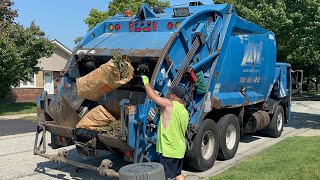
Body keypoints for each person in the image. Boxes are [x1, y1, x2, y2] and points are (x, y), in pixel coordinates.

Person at [141, 75, 189, 180]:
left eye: (171, 93)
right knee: (178, 174)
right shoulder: (184, 111)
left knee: (164, 177)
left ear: (174, 96)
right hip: (179, 149)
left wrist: (146, 81)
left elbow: (152, 96)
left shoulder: (169, 105)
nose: (170, 95)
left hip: (169, 150)